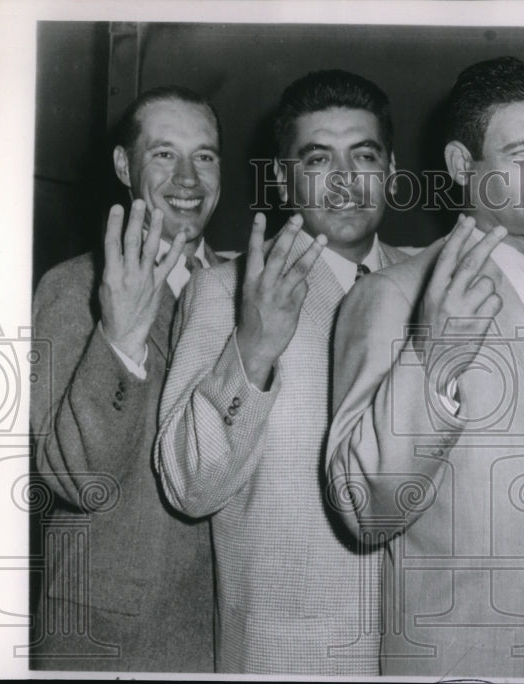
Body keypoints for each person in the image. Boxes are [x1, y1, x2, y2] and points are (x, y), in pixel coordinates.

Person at [326, 56, 524, 677]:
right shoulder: (392, 295)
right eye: (522, 153)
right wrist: (433, 357)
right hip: (469, 662)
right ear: (464, 166)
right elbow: (363, 509)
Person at [154, 70, 409, 675]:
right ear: (283, 179)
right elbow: (188, 485)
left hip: (425, 648)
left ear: (391, 172)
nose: (346, 181)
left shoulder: (435, 285)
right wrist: (252, 351)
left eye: (364, 156)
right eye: (319, 160)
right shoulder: (226, 291)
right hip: (290, 656)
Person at [31, 86, 226, 672]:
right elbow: (75, 478)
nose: (188, 177)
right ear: (124, 165)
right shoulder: (72, 288)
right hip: (110, 636)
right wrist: (120, 340)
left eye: (206, 156)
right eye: (164, 154)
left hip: (229, 628)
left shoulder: (246, 290)